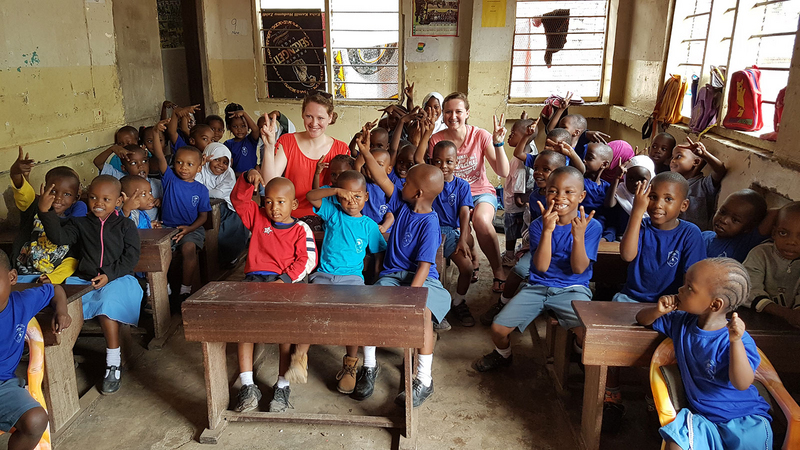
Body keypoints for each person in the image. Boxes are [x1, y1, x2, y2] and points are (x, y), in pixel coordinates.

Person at [604, 172, 706, 431]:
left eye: (668, 199)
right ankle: (612, 392)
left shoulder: (690, 234)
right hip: (630, 298)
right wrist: (637, 214)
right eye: (652, 197)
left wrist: (675, 305)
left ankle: (655, 396)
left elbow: (691, 277)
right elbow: (627, 255)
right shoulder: (642, 225)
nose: (658, 204)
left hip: (670, 305)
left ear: (683, 205)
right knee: (608, 341)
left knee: (664, 348)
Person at [636, 258, 772, 450]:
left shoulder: (736, 338)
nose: (680, 290)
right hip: (702, 419)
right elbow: (642, 319)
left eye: (689, 288)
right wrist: (657, 311)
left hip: (744, 419)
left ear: (715, 305)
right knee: (675, 444)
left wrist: (735, 342)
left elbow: (742, 383)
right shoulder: (680, 322)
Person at [474, 166, 601, 372]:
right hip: (538, 286)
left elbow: (578, 269)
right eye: (553, 191)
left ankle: (578, 352)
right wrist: (548, 232)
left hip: (573, 288)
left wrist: (578, 236)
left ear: (581, 196)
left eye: (569, 192)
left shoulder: (591, 226)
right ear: (545, 192)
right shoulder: (538, 225)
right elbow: (541, 267)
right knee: (498, 329)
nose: (560, 197)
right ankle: (503, 355)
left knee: (588, 335)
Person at [354, 135, 449, 407]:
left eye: (406, 182)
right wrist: (365, 152)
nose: (400, 183)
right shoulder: (402, 204)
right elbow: (382, 179)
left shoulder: (430, 224)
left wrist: (412, 299)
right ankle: (369, 366)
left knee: (422, 317)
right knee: (369, 308)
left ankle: (424, 380)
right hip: (392, 277)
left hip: (422, 281)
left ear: (418, 193)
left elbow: (423, 267)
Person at [39, 175, 142, 394]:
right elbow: (59, 238)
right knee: (62, 307)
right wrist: (46, 212)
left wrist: (108, 274)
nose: (98, 203)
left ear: (119, 200)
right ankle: (62, 358)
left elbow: (130, 258)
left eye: (106, 199)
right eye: (93, 198)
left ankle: (113, 362)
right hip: (84, 280)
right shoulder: (80, 224)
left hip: (118, 279)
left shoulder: (125, 226)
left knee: (107, 307)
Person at [230, 170, 317, 413]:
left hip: (287, 284)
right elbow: (238, 201)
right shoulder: (257, 218)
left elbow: (307, 260)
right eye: (268, 201)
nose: (274, 207)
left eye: (281, 202)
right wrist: (246, 180)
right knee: (243, 326)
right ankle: (247, 385)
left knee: (285, 332)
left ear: (294, 204)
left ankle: (282, 384)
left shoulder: (301, 229)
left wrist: (283, 281)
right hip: (255, 280)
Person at [305, 169, 386, 394]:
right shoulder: (333, 213)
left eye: (357, 196)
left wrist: (376, 279)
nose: (351, 201)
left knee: (356, 318)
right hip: (323, 276)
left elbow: (379, 253)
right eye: (345, 196)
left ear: (367, 197)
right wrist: (336, 191)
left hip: (352, 280)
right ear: (337, 197)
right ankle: (300, 354)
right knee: (307, 310)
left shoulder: (368, 225)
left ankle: (351, 364)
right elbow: (312, 196)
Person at [427, 92, 510, 293]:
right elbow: (434, 173)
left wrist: (498, 143)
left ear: (467, 113)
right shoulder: (436, 140)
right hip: (450, 194)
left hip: (479, 191)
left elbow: (503, 172)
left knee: (481, 221)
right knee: (449, 225)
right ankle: (470, 254)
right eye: (448, 112)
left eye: (458, 111)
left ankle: (498, 270)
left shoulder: (480, 136)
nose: (453, 116)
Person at [480, 150, 568, 325]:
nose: (538, 173)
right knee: (520, 270)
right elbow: (534, 227)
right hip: (539, 243)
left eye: (546, 169)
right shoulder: (536, 196)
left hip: (563, 246)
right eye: (536, 168)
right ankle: (502, 302)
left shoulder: (567, 198)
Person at [0, 251, 71, 450]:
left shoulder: (22, 303)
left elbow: (54, 289)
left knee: (37, 419)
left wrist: (61, 310)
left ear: (12, 277)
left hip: (3, 386)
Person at [260, 92, 351, 224]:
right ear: (302, 114)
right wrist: (269, 146)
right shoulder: (287, 141)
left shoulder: (341, 148)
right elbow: (270, 183)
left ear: (330, 118)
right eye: (309, 116)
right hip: (290, 219)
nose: (314, 123)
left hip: (329, 221)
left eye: (320, 118)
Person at [150, 122, 211, 302]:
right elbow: (160, 156)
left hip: (192, 229)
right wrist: (155, 133)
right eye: (179, 162)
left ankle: (185, 289)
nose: (183, 167)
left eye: (190, 164)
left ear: (199, 168)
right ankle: (163, 288)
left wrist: (189, 229)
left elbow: (203, 217)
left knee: (188, 248)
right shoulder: (169, 179)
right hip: (167, 228)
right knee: (159, 252)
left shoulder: (201, 190)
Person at [10, 148, 86, 285]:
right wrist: (15, 173)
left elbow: (71, 260)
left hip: (50, 281)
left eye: (67, 194)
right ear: (44, 189)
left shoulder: (73, 224)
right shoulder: (33, 208)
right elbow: (23, 193)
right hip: (21, 277)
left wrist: (53, 278)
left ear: (76, 198)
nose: (58, 198)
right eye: (53, 191)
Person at [429, 140, 475, 327]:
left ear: (456, 162)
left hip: (449, 232)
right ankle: (434, 309)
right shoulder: (429, 182)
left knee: (467, 268)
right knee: (430, 271)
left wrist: (462, 239)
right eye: (438, 161)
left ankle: (458, 301)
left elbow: (465, 212)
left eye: (449, 161)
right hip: (429, 231)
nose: (443, 166)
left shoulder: (462, 186)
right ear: (431, 162)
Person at [744, 201, 800, 328]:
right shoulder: (761, 254)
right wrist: (787, 314)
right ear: (774, 232)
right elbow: (748, 290)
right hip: (755, 322)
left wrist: (795, 315)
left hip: (790, 329)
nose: (791, 242)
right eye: (783, 233)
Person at [194, 142, 248, 267]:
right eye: (216, 159)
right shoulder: (199, 170)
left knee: (236, 222)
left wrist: (202, 191)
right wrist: (199, 166)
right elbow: (191, 186)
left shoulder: (228, 173)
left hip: (225, 208)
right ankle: (211, 260)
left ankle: (229, 256)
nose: (221, 165)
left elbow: (219, 193)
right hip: (199, 209)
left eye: (225, 162)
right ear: (206, 158)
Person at [502, 117, 538, 267]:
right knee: (522, 229)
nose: (509, 136)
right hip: (522, 203)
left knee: (510, 230)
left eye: (513, 133)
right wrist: (524, 123)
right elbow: (531, 138)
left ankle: (510, 256)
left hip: (514, 205)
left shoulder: (519, 164)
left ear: (524, 137)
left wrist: (519, 204)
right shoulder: (532, 149)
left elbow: (518, 194)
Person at [93, 144, 162, 221]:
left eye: (144, 161)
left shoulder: (157, 184)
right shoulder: (120, 179)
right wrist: (112, 149)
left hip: (153, 228)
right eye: (133, 163)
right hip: (130, 226)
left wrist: (161, 200)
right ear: (124, 168)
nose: (141, 166)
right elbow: (98, 163)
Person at [670, 138, 727, 231]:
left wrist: (704, 154)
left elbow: (720, 170)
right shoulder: (670, 183)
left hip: (696, 235)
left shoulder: (703, 185)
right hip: (674, 232)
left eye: (678, 156)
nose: (672, 160)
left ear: (696, 162)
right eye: (672, 157)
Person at [703, 189, 773, 262]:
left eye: (735, 220)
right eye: (722, 212)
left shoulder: (743, 244)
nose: (724, 220)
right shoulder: (703, 236)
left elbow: (774, 214)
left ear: (748, 228)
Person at [601, 155, 656, 242]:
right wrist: (616, 178)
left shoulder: (652, 197)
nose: (636, 183)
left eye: (642, 180)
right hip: (620, 236)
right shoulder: (621, 191)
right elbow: (609, 204)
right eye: (630, 179)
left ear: (651, 179)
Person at [224, 104, 261, 176]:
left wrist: (244, 113)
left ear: (248, 126)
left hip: (253, 178)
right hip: (237, 178)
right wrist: (243, 175)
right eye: (235, 126)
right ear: (229, 127)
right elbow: (228, 167)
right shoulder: (228, 144)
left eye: (243, 126)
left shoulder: (250, 140)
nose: (239, 130)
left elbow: (256, 129)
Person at [580, 143, 614, 216]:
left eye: (589, 158)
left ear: (604, 164)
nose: (583, 160)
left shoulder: (608, 187)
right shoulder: (579, 181)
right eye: (583, 156)